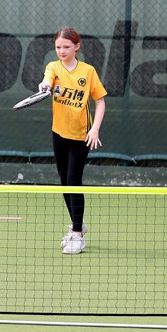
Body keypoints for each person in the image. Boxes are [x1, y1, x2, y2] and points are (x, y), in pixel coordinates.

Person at [38, 27, 107, 254]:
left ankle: (77, 235)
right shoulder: (53, 67)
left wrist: (95, 129)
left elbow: (100, 102)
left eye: (66, 47)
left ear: (77, 47)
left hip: (81, 135)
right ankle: (78, 224)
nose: (61, 51)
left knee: (73, 180)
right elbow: (47, 81)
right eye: (58, 47)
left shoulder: (87, 72)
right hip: (59, 132)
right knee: (64, 184)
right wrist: (45, 86)